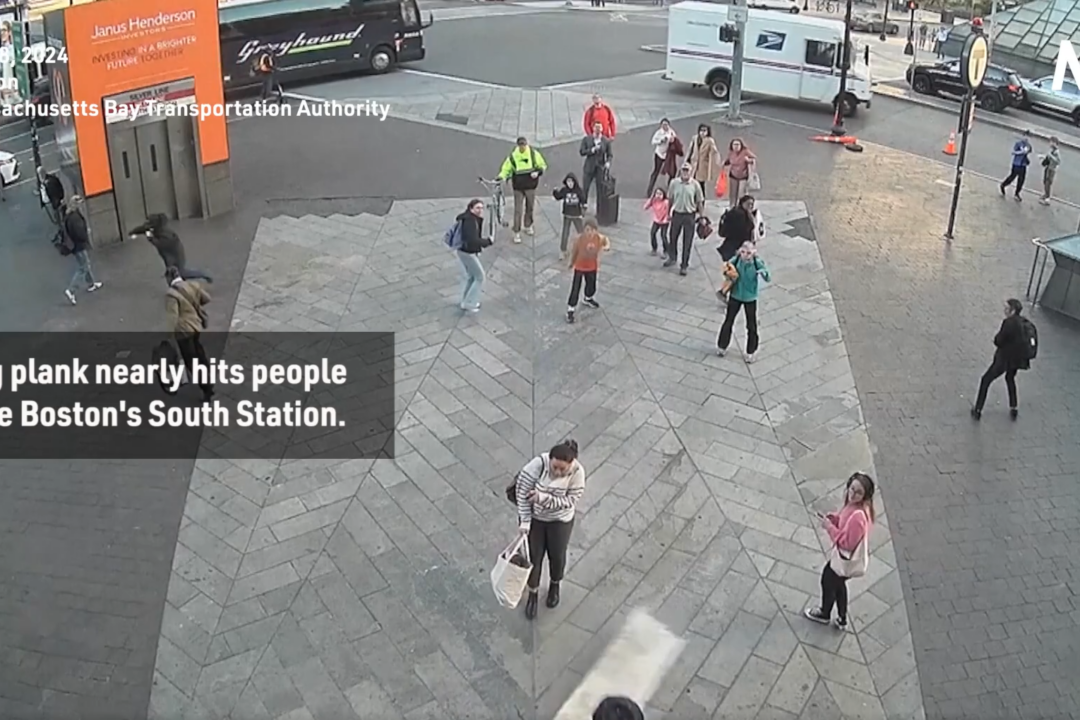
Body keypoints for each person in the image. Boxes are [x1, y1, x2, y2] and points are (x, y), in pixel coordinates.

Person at [515, 439, 585, 619]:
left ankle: (555, 585)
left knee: (557, 555)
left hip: (560, 521)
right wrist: (525, 521)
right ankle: (533, 593)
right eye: (555, 467)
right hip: (536, 521)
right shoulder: (537, 465)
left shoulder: (578, 473)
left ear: (572, 464)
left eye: (563, 469)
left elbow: (569, 501)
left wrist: (543, 498)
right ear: (549, 460)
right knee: (534, 557)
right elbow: (521, 493)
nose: (558, 472)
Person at [804, 472, 875, 630]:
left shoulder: (858, 516)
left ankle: (824, 613)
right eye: (851, 489)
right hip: (844, 560)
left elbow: (847, 543)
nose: (852, 494)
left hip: (844, 559)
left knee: (828, 580)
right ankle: (842, 619)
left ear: (865, 495)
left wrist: (830, 528)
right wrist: (836, 519)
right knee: (838, 585)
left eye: (858, 492)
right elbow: (846, 523)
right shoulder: (856, 507)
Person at [971, 298, 1029, 420]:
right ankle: (1014, 407)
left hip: (1004, 360)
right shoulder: (1022, 322)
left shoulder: (1008, 323)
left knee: (986, 380)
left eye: (1007, 308)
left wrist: (996, 339)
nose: (1005, 310)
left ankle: (978, 409)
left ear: (1013, 311)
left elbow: (999, 340)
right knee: (1010, 378)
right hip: (1016, 360)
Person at [165, 266, 214, 403]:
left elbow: (172, 318)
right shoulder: (192, 285)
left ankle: (207, 388)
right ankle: (208, 371)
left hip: (183, 331)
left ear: (169, 278)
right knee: (198, 350)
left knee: (191, 361)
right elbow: (206, 299)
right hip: (195, 325)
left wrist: (169, 336)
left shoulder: (171, 295)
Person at [716, 241, 769, 362]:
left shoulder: (757, 263)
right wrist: (727, 271)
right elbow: (727, 268)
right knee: (728, 321)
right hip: (736, 295)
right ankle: (722, 346)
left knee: (751, 325)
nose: (746, 255)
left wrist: (762, 273)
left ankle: (751, 351)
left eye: (749, 253)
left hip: (750, 297)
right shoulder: (736, 260)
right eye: (743, 252)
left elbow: (768, 275)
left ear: (754, 252)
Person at [129, 214, 213, 282]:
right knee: (171, 272)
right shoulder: (153, 227)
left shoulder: (166, 234)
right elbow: (143, 229)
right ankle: (175, 285)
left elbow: (161, 244)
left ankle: (203, 274)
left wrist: (151, 238)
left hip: (175, 253)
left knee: (181, 272)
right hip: (166, 253)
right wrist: (132, 232)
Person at [497, 136, 547, 243]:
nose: (523, 147)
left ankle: (528, 225)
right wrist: (502, 176)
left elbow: (542, 165)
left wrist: (538, 172)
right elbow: (506, 168)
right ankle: (516, 232)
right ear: (518, 145)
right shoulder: (513, 156)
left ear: (526, 144)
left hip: (530, 186)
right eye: (521, 145)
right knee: (518, 210)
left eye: (524, 145)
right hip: (518, 187)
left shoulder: (533, 154)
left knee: (530, 207)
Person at [566, 218, 610, 323]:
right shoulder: (579, 240)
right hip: (580, 266)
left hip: (592, 266)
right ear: (584, 230)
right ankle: (571, 308)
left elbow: (606, 240)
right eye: (587, 230)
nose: (590, 233)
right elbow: (575, 252)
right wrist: (571, 263)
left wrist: (607, 247)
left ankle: (588, 297)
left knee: (591, 284)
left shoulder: (598, 238)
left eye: (592, 230)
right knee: (576, 287)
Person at [61, 196, 103, 304]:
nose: (81, 204)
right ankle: (71, 290)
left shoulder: (69, 215)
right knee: (83, 268)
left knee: (85, 264)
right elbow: (79, 233)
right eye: (79, 202)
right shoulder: (74, 217)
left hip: (75, 246)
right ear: (76, 204)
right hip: (78, 246)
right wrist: (86, 234)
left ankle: (91, 284)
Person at [665, 163, 704, 275]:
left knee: (687, 241)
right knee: (673, 237)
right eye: (683, 170)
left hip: (689, 215)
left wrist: (701, 216)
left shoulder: (695, 185)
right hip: (677, 214)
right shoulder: (674, 183)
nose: (685, 173)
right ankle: (672, 257)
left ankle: (684, 265)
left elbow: (699, 201)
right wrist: (668, 213)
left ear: (691, 172)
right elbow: (670, 199)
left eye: (687, 171)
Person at [454, 199, 492, 312]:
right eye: (477, 208)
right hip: (467, 252)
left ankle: (466, 300)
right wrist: (487, 242)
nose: (480, 210)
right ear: (471, 209)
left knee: (472, 277)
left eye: (481, 208)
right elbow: (472, 240)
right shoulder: (470, 222)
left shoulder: (469, 218)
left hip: (464, 251)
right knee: (480, 276)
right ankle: (470, 303)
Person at [553, 174, 586, 260]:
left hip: (576, 215)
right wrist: (555, 192)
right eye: (568, 182)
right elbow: (558, 196)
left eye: (571, 182)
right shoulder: (565, 190)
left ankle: (583, 249)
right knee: (565, 232)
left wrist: (583, 210)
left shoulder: (578, 191)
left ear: (574, 182)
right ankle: (563, 250)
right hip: (567, 215)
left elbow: (583, 200)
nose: (570, 184)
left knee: (581, 232)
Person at [579, 122, 613, 206]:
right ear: (593, 129)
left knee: (600, 189)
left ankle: (600, 206)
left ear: (602, 129)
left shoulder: (606, 141)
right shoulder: (587, 139)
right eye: (596, 128)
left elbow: (610, 154)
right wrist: (592, 150)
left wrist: (608, 162)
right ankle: (583, 204)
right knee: (585, 187)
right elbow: (582, 151)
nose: (597, 130)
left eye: (599, 128)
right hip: (589, 168)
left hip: (600, 168)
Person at [646, 119, 681, 197]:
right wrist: (660, 141)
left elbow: (675, 141)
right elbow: (653, 141)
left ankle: (670, 190)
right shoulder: (659, 133)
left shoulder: (671, 132)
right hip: (659, 154)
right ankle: (649, 190)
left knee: (672, 172)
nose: (665, 126)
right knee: (656, 171)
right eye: (663, 125)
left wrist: (673, 140)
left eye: (666, 125)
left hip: (668, 155)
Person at [717, 195, 757, 264]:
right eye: (748, 204)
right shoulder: (740, 214)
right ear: (742, 203)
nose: (750, 206)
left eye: (752, 204)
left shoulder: (744, 213)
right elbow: (746, 229)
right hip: (735, 246)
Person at [721, 138, 756, 207]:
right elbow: (728, 161)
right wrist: (723, 163)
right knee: (733, 193)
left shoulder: (745, 152)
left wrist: (748, 160)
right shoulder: (731, 153)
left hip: (743, 175)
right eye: (734, 144)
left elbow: (754, 159)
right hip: (733, 175)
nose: (736, 146)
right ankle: (732, 206)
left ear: (741, 145)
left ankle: (741, 206)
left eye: (737, 144)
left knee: (741, 193)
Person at [687, 123, 719, 197]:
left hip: (703, 165)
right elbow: (690, 150)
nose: (702, 132)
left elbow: (714, 152)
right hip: (694, 164)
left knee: (700, 185)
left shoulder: (710, 141)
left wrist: (712, 163)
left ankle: (701, 201)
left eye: (704, 131)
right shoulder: (695, 138)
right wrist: (687, 160)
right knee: (692, 183)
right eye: (701, 130)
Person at [1000, 130, 1032, 201]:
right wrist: (1021, 152)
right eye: (1025, 136)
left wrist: (1026, 152)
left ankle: (1017, 193)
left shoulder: (1028, 145)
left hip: (1023, 165)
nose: (1026, 138)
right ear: (1022, 136)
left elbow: (1029, 151)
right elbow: (1013, 152)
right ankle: (1003, 185)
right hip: (1016, 164)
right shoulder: (1018, 144)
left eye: (1028, 137)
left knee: (1021, 180)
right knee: (1012, 177)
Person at [643, 188, 670, 256]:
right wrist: (651, 199)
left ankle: (666, 250)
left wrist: (665, 220)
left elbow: (667, 213)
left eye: (660, 194)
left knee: (663, 236)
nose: (658, 196)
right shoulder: (654, 201)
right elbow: (645, 207)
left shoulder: (666, 202)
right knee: (652, 233)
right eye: (657, 193)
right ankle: (654, 248)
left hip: (664, 221)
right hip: (656, 220)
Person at [1040, 136, 1060, 205]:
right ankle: (1046, 194)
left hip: (1051, 169)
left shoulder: (1056, 152)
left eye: (1051, 142)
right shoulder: (1052, 150)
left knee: (1047, 183)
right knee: (1045, 182)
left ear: (1054, 143)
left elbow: (1058, 161)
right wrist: (1042, 157)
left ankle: (1047, 198)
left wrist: (1050, 156)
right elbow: (1049, 157)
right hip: (1048, 167)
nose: (1050, 143)